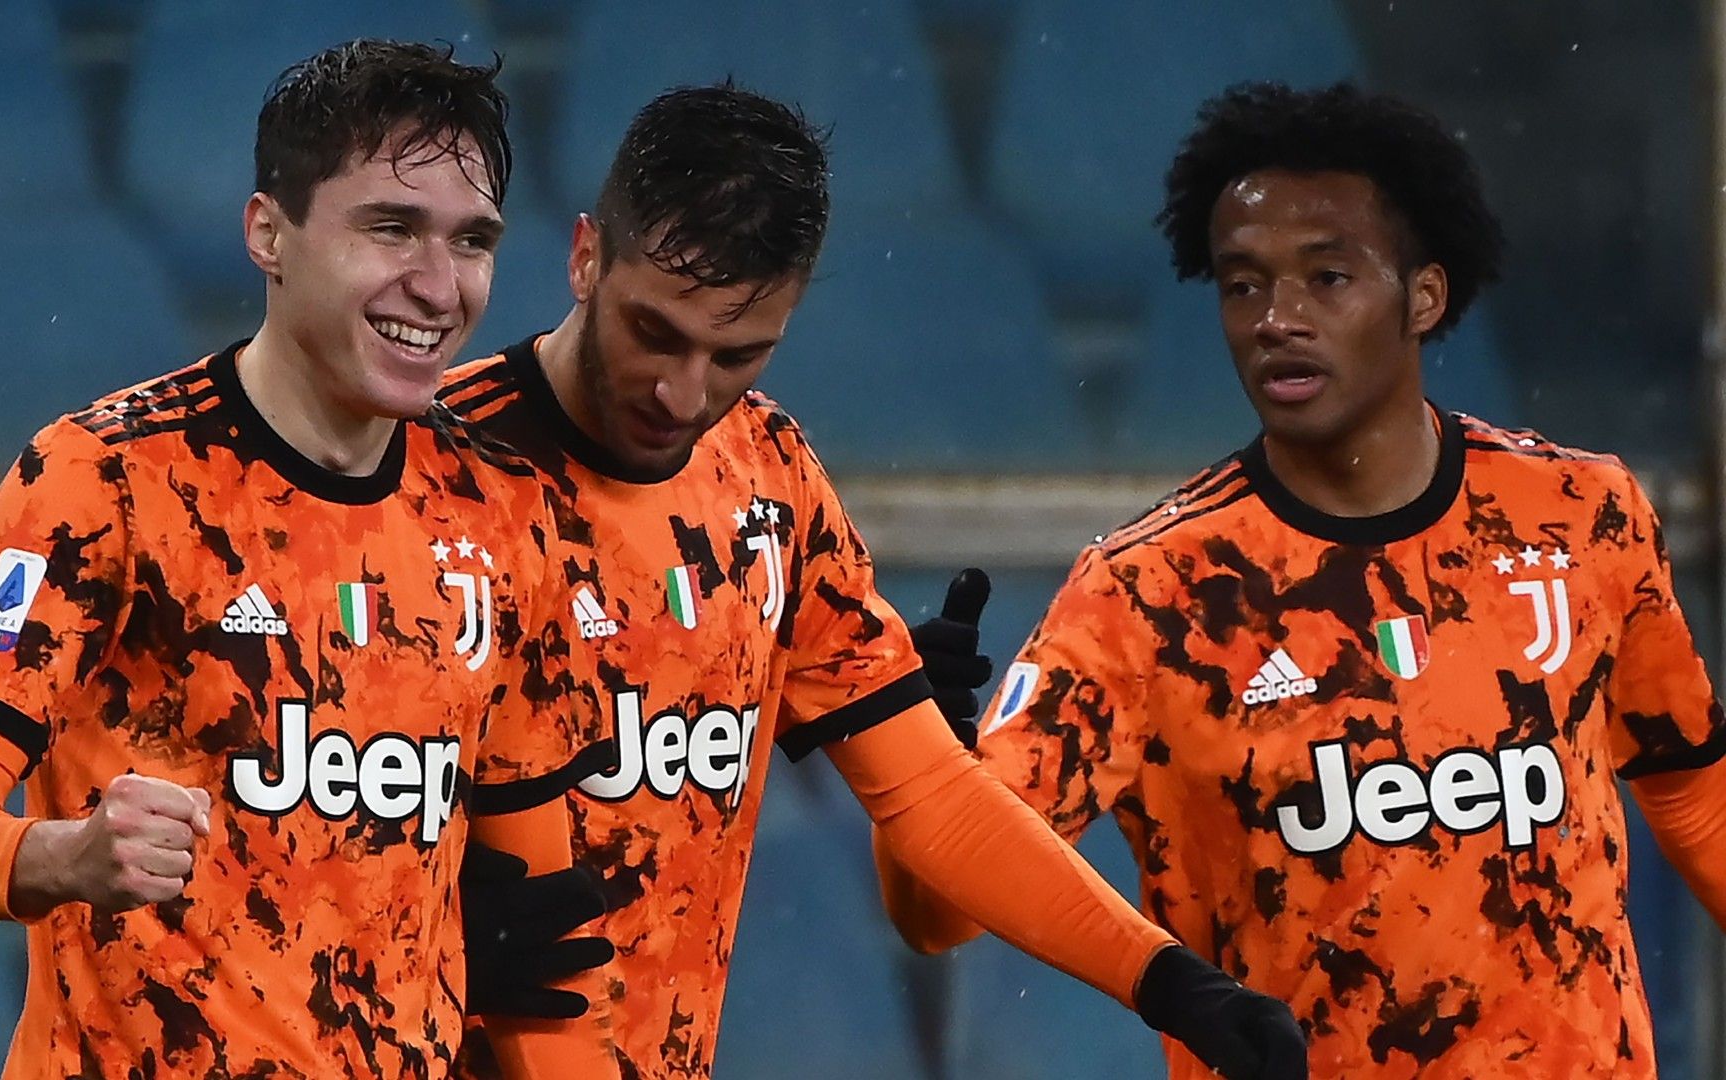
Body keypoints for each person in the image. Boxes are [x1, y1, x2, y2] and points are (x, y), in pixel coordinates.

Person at [440, 83, 1306, 1080]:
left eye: (738, 353)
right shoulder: (429, 477)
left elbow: (934, 798)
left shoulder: (767, 479)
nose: (685, 392)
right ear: (586, 256)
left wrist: (1171, 985)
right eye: (656, 333)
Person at [877, 81, 1726, 1078]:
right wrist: (919, 764)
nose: (1277, 318)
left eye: (1327, 279)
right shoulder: (1152, 597)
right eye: (1244, 284)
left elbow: (1693, 798)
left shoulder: (1581, 518)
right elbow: (937, 912)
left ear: (1424, 296)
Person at [0, 40, 618, 1078]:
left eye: (474, 240)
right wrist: (68, 856)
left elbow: (544, 943)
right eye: (392, 229)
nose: (440, 286)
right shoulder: (103, 481)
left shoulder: (504, 508)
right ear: (270, 234)